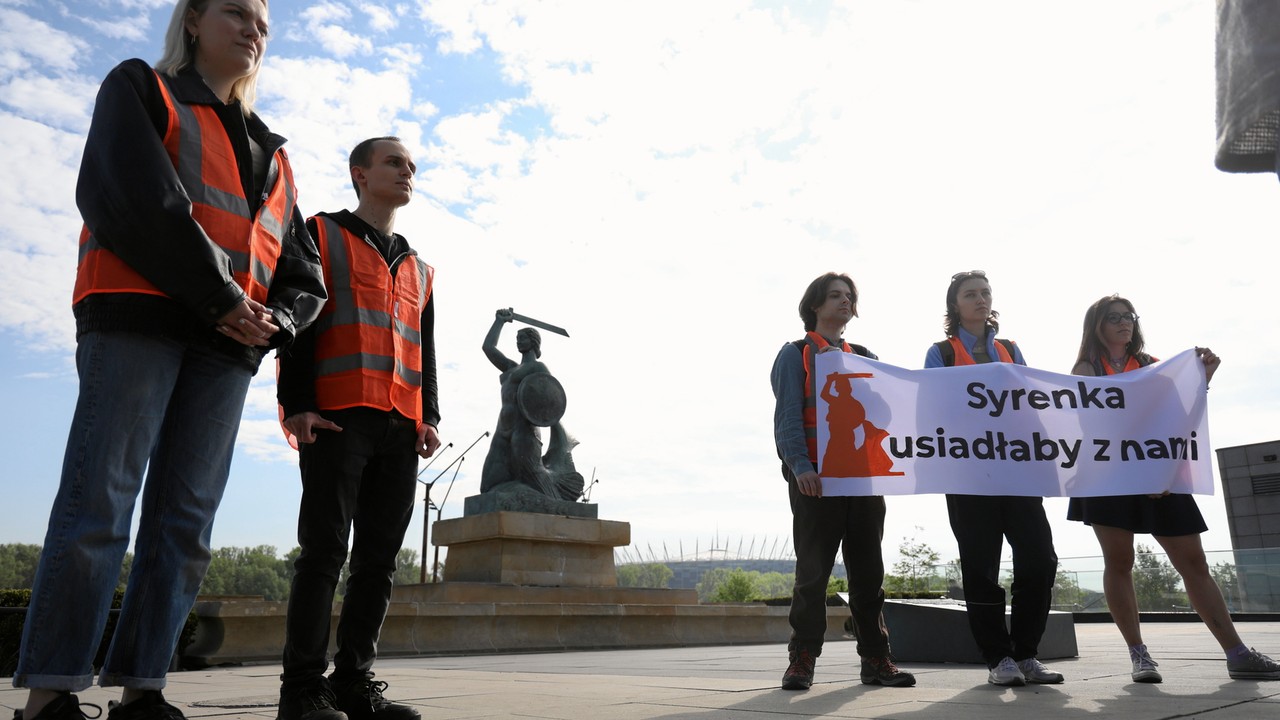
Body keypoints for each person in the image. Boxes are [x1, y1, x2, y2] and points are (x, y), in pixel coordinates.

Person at [12, 1, 327, 718]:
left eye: (264, 23)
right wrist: (218, 294)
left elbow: (302, 272)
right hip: (138, 318)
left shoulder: (275, 156)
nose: (254, 30)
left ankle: (143, 690)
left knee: (185, 520)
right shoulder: (140, 89)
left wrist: (274, 319)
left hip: (227, 347)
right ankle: (50, 695)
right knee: (100, 500)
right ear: (192, 21)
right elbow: (128, 194)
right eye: (236, 13)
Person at [275, 137, 441, 720]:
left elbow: (427, 350)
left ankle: (354, 683)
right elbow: (295, 317)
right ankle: (301, 691)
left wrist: (430, 417)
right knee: (323, 552)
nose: (406, 172)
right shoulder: (320, 234)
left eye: (412, 167)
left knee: (377, 562)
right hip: (337, 417)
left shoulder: (420, 267)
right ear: (360, 174)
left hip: (400, 425)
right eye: (394, 163)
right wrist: (295, 403)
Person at [1066, 294, 1279, 682]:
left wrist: (1203, 379)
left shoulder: (1152, 366)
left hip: (1161, 474)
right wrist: (1138, 469)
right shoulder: (1086, 368)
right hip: (1109, 475)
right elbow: (1092, 426)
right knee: (1120, 561)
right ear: (1096, 326)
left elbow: (1179, 417)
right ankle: (1139, 655)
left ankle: (1237, 652)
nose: (1123, 322)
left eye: (1128, 316)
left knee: (1194, 562)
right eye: (1113, 317)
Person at [770, 272, 915, 691]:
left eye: (849, 296)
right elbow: (788, 417)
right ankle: (802, 659)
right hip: (816, 480)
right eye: (835, 296)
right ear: (815, 305)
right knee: (812, 574)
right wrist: (800, 467)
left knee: (869, 574)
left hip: (863, 480)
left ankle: (876, 659)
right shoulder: (795, 354)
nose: (844, 302)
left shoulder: (864, 355)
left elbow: (885, 416)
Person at [923, 270, 1063, 687]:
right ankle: (997, 658)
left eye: (985, 293)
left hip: (1017, 474)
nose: (981, 299)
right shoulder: (940, 353)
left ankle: (1026, 654)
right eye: (971, 294)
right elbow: (933, 408)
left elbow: (1028, 403)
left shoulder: (1010, 348)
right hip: (968, 476)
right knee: (981, 567)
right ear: (955, 305)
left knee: (1040, 560)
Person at [479, 311, 583, 501]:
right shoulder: (510, 367)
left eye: (523, 337)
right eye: (517, 338)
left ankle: (555, 498)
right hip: (503, 430)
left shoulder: (538, 368)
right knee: (488, 486)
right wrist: (499, 322)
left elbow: (550, 401)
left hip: (524, 432)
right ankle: (517, 494)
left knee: (534, 479)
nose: (518, 341)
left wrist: (557, 431)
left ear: (534, 342)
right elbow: (488, 347)